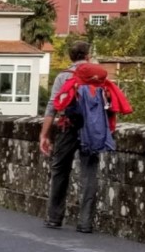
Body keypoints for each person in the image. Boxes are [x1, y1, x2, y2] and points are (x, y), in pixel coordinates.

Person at [39, 39, 131, 233]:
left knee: (60, 170)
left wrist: (44, 135)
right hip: (92, 129)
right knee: (89, 173)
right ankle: (85, 222)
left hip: (67, 126)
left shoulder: (63, 76)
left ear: (71, 57)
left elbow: (52, 107)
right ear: (88, 56)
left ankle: (54, 217)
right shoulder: (97, 77)